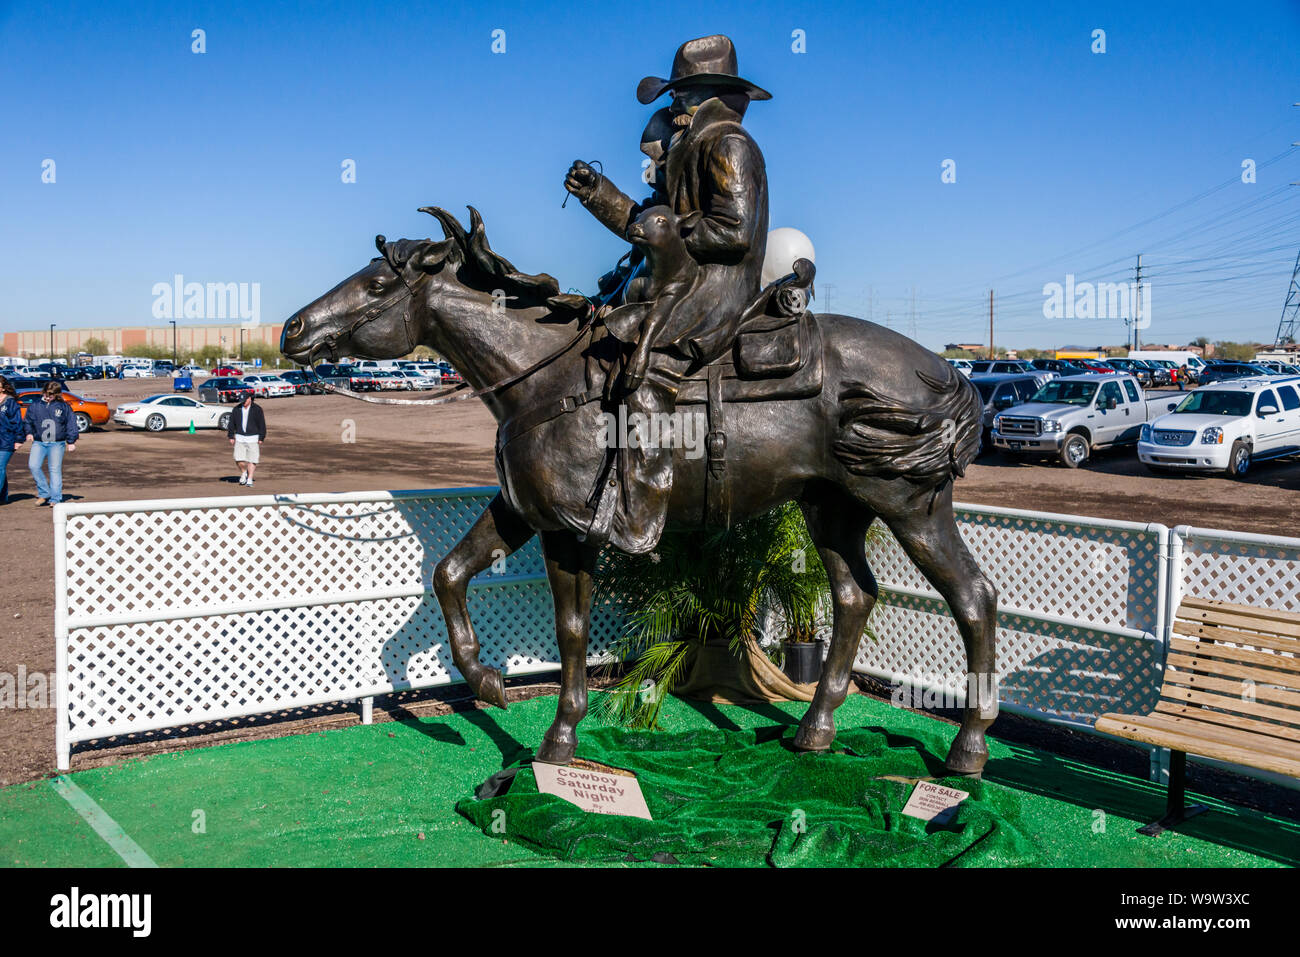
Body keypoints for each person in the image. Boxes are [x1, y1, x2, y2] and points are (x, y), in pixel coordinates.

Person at [562, 34, 772, 551]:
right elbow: (648, 224)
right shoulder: (688, 147)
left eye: (684, 93)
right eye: (673, 94)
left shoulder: (729, 144)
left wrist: (677, 228)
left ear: (713, 94)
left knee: (646, 368)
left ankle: (640, 511)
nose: (674, 103)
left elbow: (736, 231)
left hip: (719, 287)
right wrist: (597, 193)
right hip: (683, 280)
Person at [21, 380, 78, 506]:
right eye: (46, 394)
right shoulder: (35, 405)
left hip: (57, 443)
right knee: (33, 466)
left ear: (57, 395)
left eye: (51, 395)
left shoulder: (63, 407)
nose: (48, 397)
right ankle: (44, 493)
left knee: (54, 470)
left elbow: (71, 423)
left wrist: (71, 441)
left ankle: (55, 498)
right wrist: (29, 432)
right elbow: (27, 421)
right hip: (39, 442)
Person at [227, 392, 266, 486]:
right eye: (241, 401)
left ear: (249, 399)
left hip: (253, 438)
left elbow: (262, 424)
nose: (243, 403)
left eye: (244, 401)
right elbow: (231, 423)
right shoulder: (236, 409)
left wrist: (261, 437)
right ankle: (244, 472)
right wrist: (231, 435)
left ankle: (250, 478)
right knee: (238, 458)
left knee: (252, 459)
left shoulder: (257, 409)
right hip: (240, 437)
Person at [0, 379, 22, 505]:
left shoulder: (10, 402)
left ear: (3, 388)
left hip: (6, 440)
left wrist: (18, 439)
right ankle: (3, 496)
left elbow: (17, 421)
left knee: (0, 467)